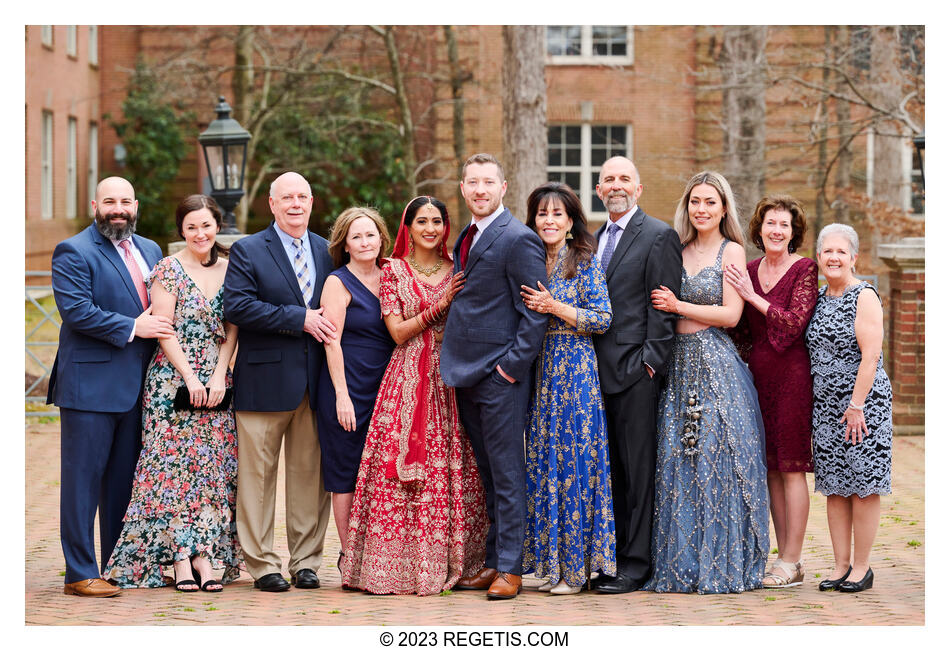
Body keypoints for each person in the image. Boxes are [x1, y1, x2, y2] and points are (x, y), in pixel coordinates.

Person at [342, 196, 489, 595]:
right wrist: (440, 307)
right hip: (406, 377)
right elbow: (397, 332)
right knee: (395, 469)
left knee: (454, 466)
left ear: (445, 226)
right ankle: (392, 567)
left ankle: (456, 562)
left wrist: (448, 328)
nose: (430, 228)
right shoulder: (393, 270)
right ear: (408, 226)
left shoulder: (458, 268)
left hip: (452, 378)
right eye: (421, 221)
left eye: (437, 221)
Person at [103, 194, 243, 592]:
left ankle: (208, 557)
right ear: (181, 230)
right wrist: (190, 377)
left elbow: (233, 329)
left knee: (212, 471)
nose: (201, 233)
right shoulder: (168, 268)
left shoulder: (233, 268)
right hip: (172, 382)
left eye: (207, 225)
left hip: (218, 381)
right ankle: (182, 559)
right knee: (170, 472)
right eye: (192, 226)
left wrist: (218, 375)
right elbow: (162, 328)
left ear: (218, 226)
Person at [48, 176, 174, 597]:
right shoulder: (74, 251)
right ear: (94, 205)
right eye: (109, 202)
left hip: (137, 385)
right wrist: (133, 326)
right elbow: (77, 311)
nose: (117, 209)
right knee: (83, 481)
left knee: (123, 481)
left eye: (124, 201)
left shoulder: (151, 250)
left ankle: (117, 565)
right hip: (90, 385)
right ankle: (79, 573)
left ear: (135, 205)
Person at [647, 170, 770, 593]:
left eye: (710, 203)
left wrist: (678, 304)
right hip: (676, 364)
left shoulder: (732, 251)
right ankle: (681, 564)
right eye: (695, 202)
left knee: (715, 459)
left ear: (722, 209)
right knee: (676, 458)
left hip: (715, 365)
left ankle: (721, 561)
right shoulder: (674, 248)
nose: (701, 209)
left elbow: (732, 315)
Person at [441, 153, 548, 599]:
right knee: (486, 471)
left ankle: (511, 567)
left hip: (499, 376)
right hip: (465, 373)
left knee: (507, 472)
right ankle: (491, 559)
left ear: (504, 188)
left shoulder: (518, 238)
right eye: (472, 182)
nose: (480, 190)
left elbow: (534, 314)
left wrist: (509, 370)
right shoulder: (466, 236)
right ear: (463, 189)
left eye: (488, 182)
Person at [222, 171, 336, 592]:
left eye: (302, 196)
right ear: (271, 203)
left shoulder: (328, 251)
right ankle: (264, 563)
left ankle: (306, 561)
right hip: (264, 379)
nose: (295, 204)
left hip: (314, 381)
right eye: (286, 197)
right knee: (257, 478)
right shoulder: (249, 249)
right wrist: (299, 318)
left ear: (311, 201)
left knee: (311, 476)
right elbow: (238, 306)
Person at [589, 157, 682, 594]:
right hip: (591, 376)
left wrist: (650, 364)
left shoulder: (659, 235)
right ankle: (610, 556)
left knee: (637, 470)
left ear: (638, 188)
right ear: (598, 189)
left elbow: (662, 306)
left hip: (634, 372)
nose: (616, 185)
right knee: (609, 473)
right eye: (609, 179)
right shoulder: (592, 240)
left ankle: (636, 563)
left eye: (624, 178)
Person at [519, 182, 615, 595]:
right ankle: (550, 565)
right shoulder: (529, 258)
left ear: (572, 219)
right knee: (545, 462)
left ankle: (576, 572)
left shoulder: (585, 260)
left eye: (558, 214)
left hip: (575, 371)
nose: (549, 221)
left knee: (575, 463)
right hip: (538, 373)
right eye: (542, 214)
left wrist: (554, 307)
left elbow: (603, 318)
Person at [725, 195, 818, 589]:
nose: (777, 230)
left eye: (785, 225)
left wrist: (752, 297)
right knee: (769, 470)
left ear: (794, 232)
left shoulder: (804, 269)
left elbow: (793, 323)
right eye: (770, 224)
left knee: (792, 467)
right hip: (755, 379)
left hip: (793, 377)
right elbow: (740, 331)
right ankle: (780, 558)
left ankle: (792, 560)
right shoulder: (747, 269)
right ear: (759, 230)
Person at [805, 223, 892, 594]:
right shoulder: (820, 297)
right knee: (835, 487)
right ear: (819, 257)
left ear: (854, 257)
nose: (834, 257)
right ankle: (840, 565)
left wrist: (856, 406)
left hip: (862, 406)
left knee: (863, 486)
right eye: (828, 251)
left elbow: (871, 356)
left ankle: (862, 567)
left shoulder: (865, 296)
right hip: (825, 409)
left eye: (842, 251)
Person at [315, 207, 395, 561]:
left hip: (387, 388)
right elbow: (331, 341)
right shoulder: (337, 281)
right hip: (346, 387)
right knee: (345, 472)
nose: (365, 242)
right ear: (345, 244)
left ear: (381, 238)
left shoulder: (393, 274)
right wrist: (342, 397)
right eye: (356, 236)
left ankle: (378, 550)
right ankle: (350, 555)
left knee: (381, 471)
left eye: (371, 235)